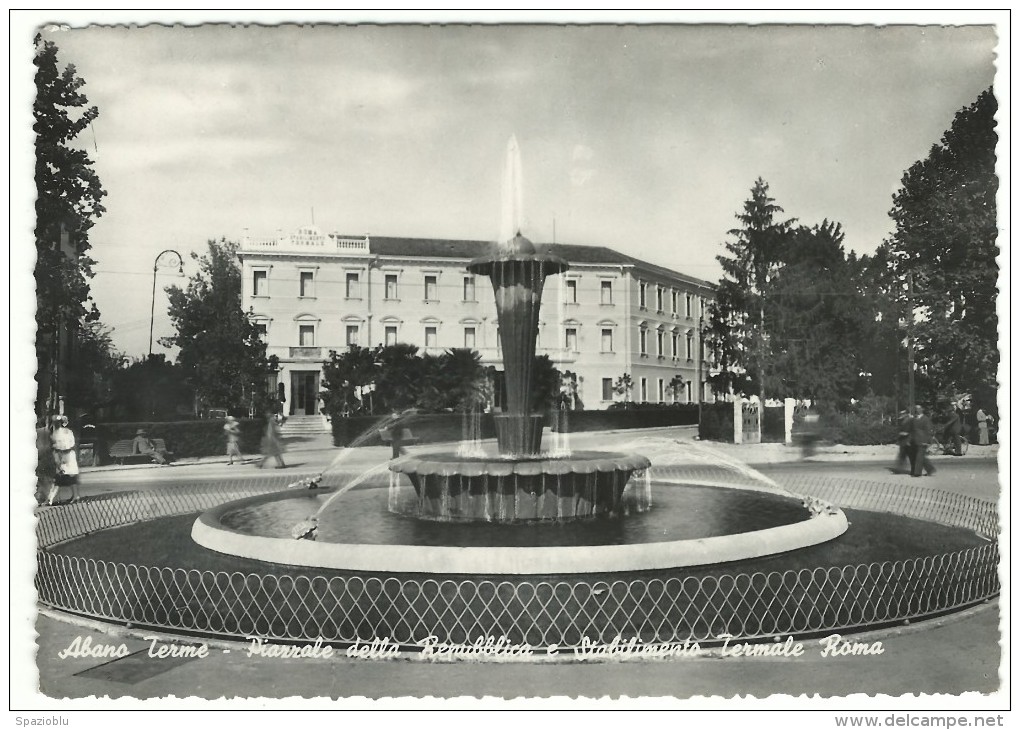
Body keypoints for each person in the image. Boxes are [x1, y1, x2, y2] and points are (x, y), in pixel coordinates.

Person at [49, 415, 81, 504]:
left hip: (66, 455)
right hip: (64, 455)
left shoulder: (60, 433)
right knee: (66, 476)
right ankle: (75, 496)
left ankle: (50, 499)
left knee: (63, 477)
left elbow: (68, 444)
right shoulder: (59, 433)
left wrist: (61, 455)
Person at [909, 405, 936, 477]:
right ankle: (930, 469)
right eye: (916, 409)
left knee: (919, 456)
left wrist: (927, 441)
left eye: (918, 409)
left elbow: (928, 431)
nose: (916, 410)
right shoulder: (914, 419)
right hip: (915, 440)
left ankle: (917, 472)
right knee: (921, 457)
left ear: (921, 410)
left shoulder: (925, 419)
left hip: (923, 440)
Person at [36, 418, 56, 505]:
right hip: (47, 455)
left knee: (40, 479)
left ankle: (39, 498)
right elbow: (52, 442)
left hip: (38, 456)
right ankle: (47, 498)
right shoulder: (47, 431)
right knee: (48, 479)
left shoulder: (35, 432)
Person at [893, 409, 913, 474]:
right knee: (902, 456)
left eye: (903, 414)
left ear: (906, 414)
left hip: (907, 440)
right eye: (901, 414)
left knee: (909, 456)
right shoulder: (904, 420)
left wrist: (902, 433)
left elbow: (909, 431)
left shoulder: (909, 420)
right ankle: (899, 470)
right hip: (904, 441)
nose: (901, 415)